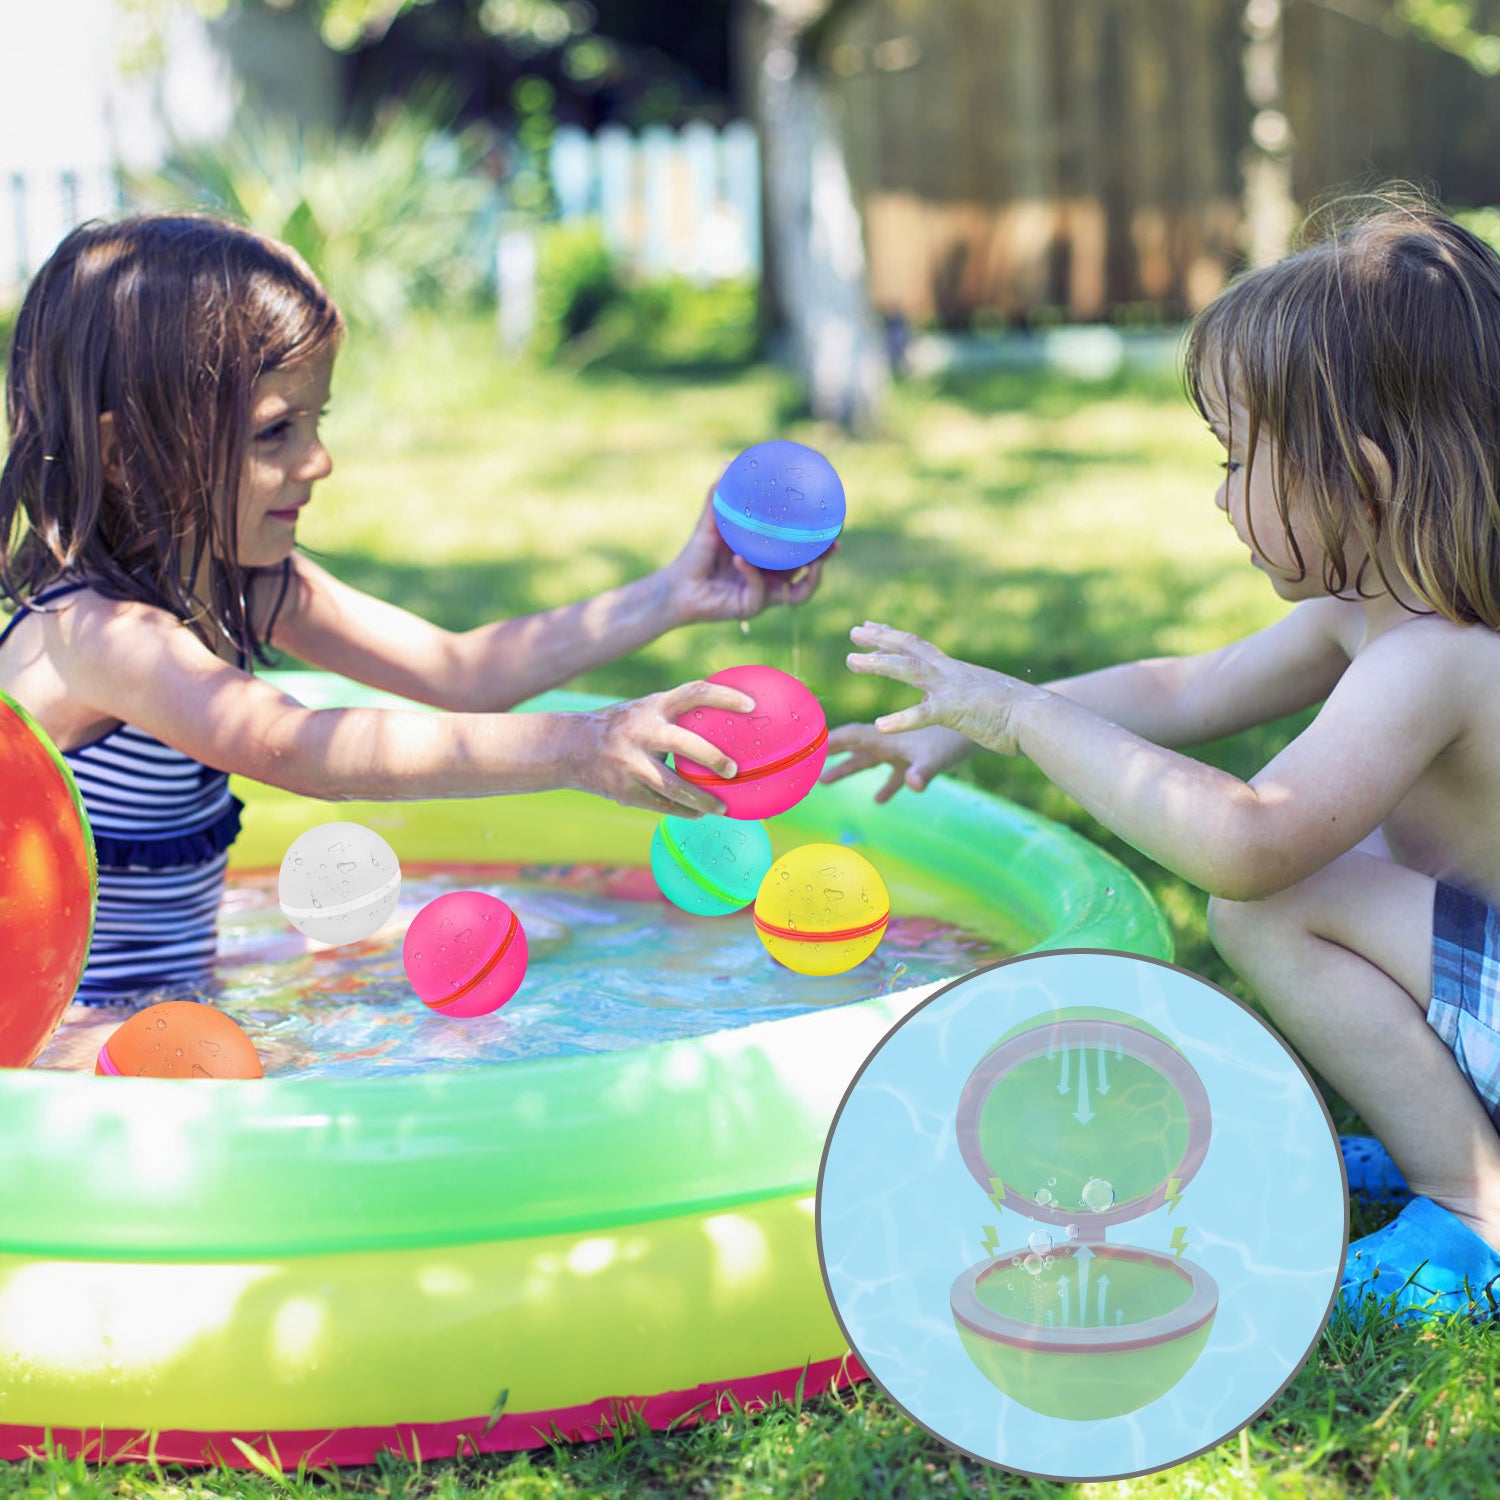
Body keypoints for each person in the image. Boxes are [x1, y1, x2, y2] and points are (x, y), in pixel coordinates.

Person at [821, 198, 1500, 1324]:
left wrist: (1028, 723)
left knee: (1276, 900)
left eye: (1242, 460)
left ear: (1365, 477)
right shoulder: (1375, 616)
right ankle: (1448, 1127)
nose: (1220, 494)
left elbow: (1247, 842)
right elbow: (1184, 687)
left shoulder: (1433, 657)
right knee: (1346, 853)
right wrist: (971, 717)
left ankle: (1470, 1201)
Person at [0, 214, 827, 1003]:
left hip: (158, 1009)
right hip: (54, 1039)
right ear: (123, 456)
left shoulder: (240, 584)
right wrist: (585, 745)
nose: (318, 461)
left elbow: (462, 674)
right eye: (274, 432)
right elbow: (296, 748)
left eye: (316, 422)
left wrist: (671, 594)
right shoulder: (97, 635)